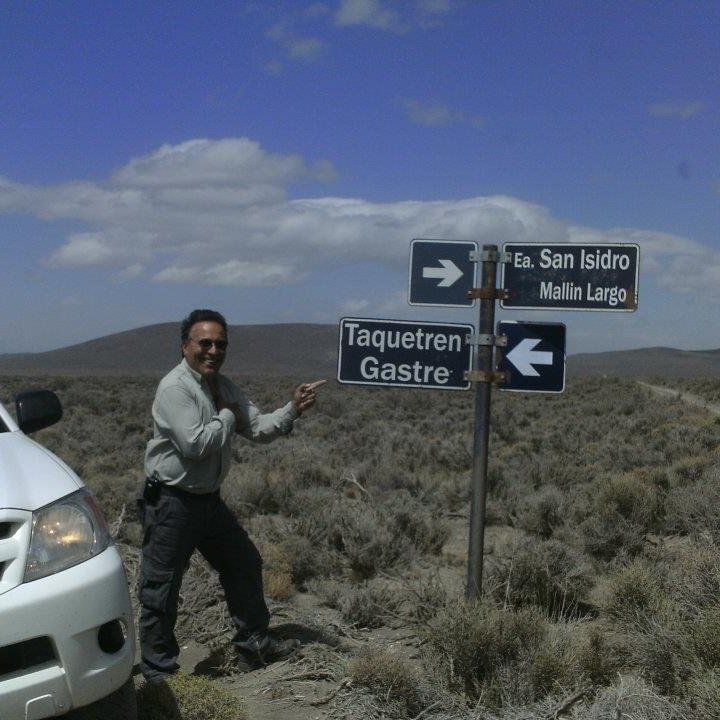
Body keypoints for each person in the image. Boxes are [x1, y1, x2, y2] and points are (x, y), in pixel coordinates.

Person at [138, 308, 325, 682]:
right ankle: (160, 673)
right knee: (162, 586)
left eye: (220, 344)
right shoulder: (177, 388)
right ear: (185, 346)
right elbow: (196, 443)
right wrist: (226, 415)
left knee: (243, 563)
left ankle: (254, 646)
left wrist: (292, 409)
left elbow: (258, 427)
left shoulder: (221, 385)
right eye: (204, 343)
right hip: (172, 503)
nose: (212, 350)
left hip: (207, 501)